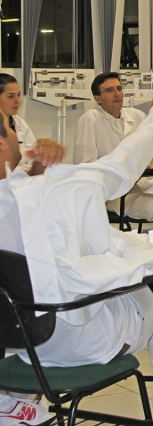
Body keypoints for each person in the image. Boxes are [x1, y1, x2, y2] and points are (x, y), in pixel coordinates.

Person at [1, 89, 153, 426]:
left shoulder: (36, 186)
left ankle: (17, 401)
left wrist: (33, 170)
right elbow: (122, 164)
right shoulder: (60, 187)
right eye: (9, 128)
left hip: (20, 345)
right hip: (77, 343)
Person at [0, 113, 64, 426]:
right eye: (11, 128)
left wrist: (37, 169)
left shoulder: (19, 193)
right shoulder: (29, 201)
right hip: (38, 327)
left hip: (13, 327)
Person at [73, 72, 153, 236]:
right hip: (114, 191)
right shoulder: (90, 119)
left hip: (146, 182)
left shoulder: (136, 115)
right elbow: (85, 166)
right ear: (97, 98)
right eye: (109, 90)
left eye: (119, 88)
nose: (117, 94)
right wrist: (129, 170)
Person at [0, 74, 37, 170]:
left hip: (21, 177)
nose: (17, 101)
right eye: (11, 96)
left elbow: (34, 156)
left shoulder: (19, 123)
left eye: (18, 95)